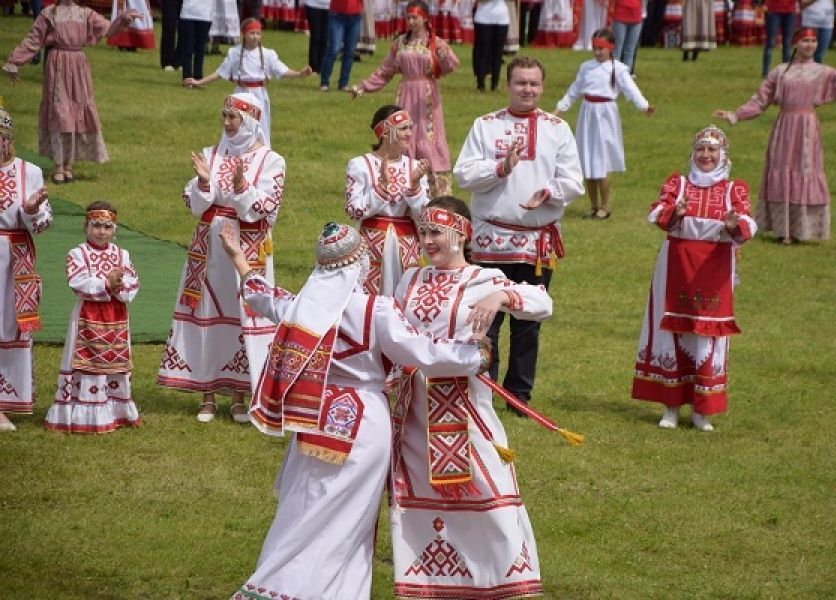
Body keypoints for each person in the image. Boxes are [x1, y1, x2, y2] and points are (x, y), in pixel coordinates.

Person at [223, 221, 489, 600]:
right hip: (364, 420)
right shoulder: (375, 310)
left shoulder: (302, 307)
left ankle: (285, 585)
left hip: (315, 416)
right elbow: (422, 351)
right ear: (359, 264)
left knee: (306, 505)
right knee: (350, 519)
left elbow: (262, 296)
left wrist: (239, 260)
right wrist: (474, 356)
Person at [391, 197, 552, 597]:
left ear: (461, 233)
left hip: (464, 407)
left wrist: (502, 298)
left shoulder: (483, 278)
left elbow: (542, 302)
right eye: (423, 232)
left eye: (436, 233)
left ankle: (507, 578)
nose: (427, 240)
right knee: (417, 498)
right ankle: (430, 584)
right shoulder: (409, 279)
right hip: (413, 409)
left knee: (487, 486)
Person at [454, 56, 583, 409]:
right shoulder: (485, 125)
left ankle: (519, 396)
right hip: (489, 238)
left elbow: (574, 181)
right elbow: (463, 175)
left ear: (543, 86)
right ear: (508, 85)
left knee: (528, 322)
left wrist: (550, 193)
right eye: (521, 82)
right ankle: (484, 391)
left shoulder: (558, 128)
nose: (528, 89)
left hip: (537, 241)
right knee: (486, 318)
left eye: (534, 83)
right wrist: (500, 167)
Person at [157, 93, 285, 423]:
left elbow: (265, 209)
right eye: (224, 116)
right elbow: (193, 203)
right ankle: (207, 393)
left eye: (233, 118)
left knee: (242, 311)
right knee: (207, 309)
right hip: (209, 245)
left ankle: (240, 395)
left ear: (251, 122)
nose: (227, 123)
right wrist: (202, 182)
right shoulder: (210, 154)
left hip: (249, 245)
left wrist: (242, 187)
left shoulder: (272, 161)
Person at [631, 125, 756, 432]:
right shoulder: (679, 183)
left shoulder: (733, 189)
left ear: (723, 154)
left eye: (712, 150)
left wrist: (732, 223)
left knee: (708, 337)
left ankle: (703, 410)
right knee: (672, 331)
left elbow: (748, 223)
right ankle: (671, 406)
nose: (706, 155)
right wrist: (676, 211)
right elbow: (658, 212)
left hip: (714, 270)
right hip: (676, 267)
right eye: (700, 149)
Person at [713, 30, 836, 244]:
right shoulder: (780, 71)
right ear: (795, 43)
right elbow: (761, 100)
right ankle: (782, 229)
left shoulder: (822, 72)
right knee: (781, 169)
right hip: (784, 127)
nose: (810, 45)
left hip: (807, 129)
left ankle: (800, 229)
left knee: (804, 169)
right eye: (805, 40)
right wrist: (736, 114)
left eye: (813, 41)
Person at [3, 1, 139, 184]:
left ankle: (69, 165)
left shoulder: (85, 13)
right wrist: (15, 61)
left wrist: (122, 19)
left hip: (78, 67)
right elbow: (33, 39)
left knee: (76, 113)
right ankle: (58, 165)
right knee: (60, 113)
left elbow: (107, 29)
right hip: (57, 65)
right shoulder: (49, 13)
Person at [44, 201, 141, 434]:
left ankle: (115, 410)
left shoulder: (122, 254)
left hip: (116, 317)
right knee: (88, 363)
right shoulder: (77, 254)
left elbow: (133, 282)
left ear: (114, 230)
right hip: (87, 317)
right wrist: (106, 283)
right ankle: (84, 413)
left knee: (114, 361)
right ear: (86, 226)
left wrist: (120, 286)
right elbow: (77, 282)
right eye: (96, 225)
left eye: (107, 227)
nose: (101, 231)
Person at [349, 0, 460, 196]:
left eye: (414, 17)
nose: (410, 21)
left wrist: (444, 56)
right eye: (408, 17)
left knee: (428, 137)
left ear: (425, 18)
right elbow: (385, 72)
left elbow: (451, 65)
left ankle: (436, 188)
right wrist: (363, 87)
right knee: (403, 134)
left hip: (426, 95)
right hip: (406, 93)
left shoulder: (435, 42)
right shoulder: (400, 43)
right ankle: (401, 181)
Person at [554, 28, 654, 221]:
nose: (597, 52)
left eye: (601, 48)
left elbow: (630, 89)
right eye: (594, 48)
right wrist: (560, 108)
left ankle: (605, 206)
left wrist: (644, 106)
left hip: (606, 115)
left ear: (610, 48)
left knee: (602, 161)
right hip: (587, 113)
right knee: (587, 159)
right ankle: (593, 205)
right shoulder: (586, 67)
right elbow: (574, 90)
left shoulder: (618, 69)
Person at [0, 108, 51, 433]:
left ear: (8, 140)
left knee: (8, 328)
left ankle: (3, 403)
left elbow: (44, 222)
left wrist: (31, 211)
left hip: (13, 259)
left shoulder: (27, 171)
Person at [183, 18, 314, 144]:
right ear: (244, 34)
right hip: (241, 94)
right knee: (238, 125)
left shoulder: (268, 54)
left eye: (258, 33)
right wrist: (199, 82)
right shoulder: (234, 53)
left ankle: (260, 155)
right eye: (252, 33)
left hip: (260, 95)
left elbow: (282, 70)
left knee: (260, 126)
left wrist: (300, 73)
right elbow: (219, 73)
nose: (255, 36)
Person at [344, 105, 430, 294]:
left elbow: (425, 216)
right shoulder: (360, 165)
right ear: (384, 133)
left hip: (406, 243)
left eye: (410, 128)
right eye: (402, 128)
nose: (409, 134)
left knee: (404, 298)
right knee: (369, 301)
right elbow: (354, 210)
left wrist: (415, 186)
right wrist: (381, 188)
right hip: (371, 242)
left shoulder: (414, 167)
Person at [319, 0, 363, 91]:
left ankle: (343, 83)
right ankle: (324, 82)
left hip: (355, 16)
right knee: (334, 50)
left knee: (350, 52)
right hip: (337, 16)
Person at [472, 0, 509, 91]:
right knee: (482, 52)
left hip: (502, 19)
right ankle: (480, 83)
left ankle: (495, 84)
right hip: (483, 18)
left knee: (498, 53)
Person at [177, 0, 214, 84]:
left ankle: (198, 78)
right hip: (188, 14)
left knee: (200, 49)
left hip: (205, 15)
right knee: (187, 48)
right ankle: (187, 77)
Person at [762, 0, 799, 76]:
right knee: (770, 42)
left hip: (790, 11)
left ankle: (786, 71)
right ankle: (765, 71)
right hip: (774, 10)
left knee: (787, 43)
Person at [611, 0, 643, 70]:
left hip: (636, 17)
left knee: (630, 51)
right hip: (620, 16)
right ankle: (613, 75)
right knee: (617, 49)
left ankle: (626, 76)